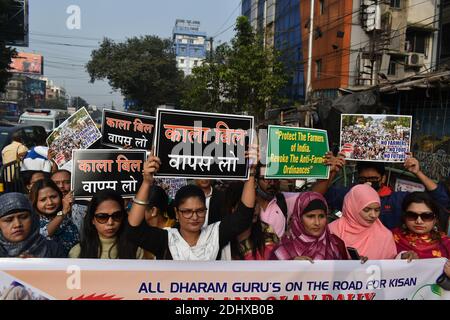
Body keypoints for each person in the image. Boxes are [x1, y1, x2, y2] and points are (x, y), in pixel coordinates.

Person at [127, 155, 255, 260]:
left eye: (200, 211)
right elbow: (134, 230)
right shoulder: (166, 239)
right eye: (187, 212)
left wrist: (251, 174)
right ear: (177, 213)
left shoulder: (215, 234)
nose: (194, 217)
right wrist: (146, 182)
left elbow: (243, 216)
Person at [315, 152, 449, 230]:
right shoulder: (348, 195)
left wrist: (417, 172)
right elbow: (314, 198)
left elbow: (441, 199)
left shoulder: (398, 199)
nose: (368, 182)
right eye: (363, 179)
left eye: (374, 178)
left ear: (383, 178)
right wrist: (332, 172)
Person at [273, 192, 348, 261]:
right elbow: (273, 273)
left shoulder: (336, 244)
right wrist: (291, 264)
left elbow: (346, 272)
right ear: (299, 218)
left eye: (321, 216)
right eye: (310, 216)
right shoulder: (284, 247)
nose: (317, 223)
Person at [328, 184, 398, 259]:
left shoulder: (385, 236)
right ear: (353, 207)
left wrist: (402, 257)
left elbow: (391, 265)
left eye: (377, 210)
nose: (373, 215)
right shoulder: (332, 230)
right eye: (366, 210)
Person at [69, 190, 143, 259]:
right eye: (102, 217)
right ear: (92, 220)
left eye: (116, 216)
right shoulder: (77, 252)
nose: (110, 222)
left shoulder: (136, 251)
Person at [225, 181, 279, 260]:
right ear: (232, 209)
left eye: (256, 203)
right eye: (247, 206)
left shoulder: (268, 233)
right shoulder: (220, 236)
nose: (253, 209)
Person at [0, 192, 64, 258]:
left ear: (33, 219)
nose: (17, 224)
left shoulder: (53, 249)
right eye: (8, 220)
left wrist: (38, 265)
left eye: (23, 217)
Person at [29, 178, 79, 256]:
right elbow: (45, 233)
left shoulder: (70, 213)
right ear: (35, 202)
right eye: (43, 200)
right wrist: (62, 213)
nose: (50, 202)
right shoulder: (32, 220)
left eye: (53, 197)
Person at [392, 192, 450, 259]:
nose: (419, 221)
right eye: (412, 215)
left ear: (436, 219)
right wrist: (400, 258)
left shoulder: (446, 243)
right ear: (404, 216)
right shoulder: (390, 237)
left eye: (427, 216)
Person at [254, 163, 304, 238]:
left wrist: (326, 171)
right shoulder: (247, 203)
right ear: (255, 181)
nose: (272, 183)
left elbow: (312, 196)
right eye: (267, 178)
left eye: (275, 178)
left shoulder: (284, 200)